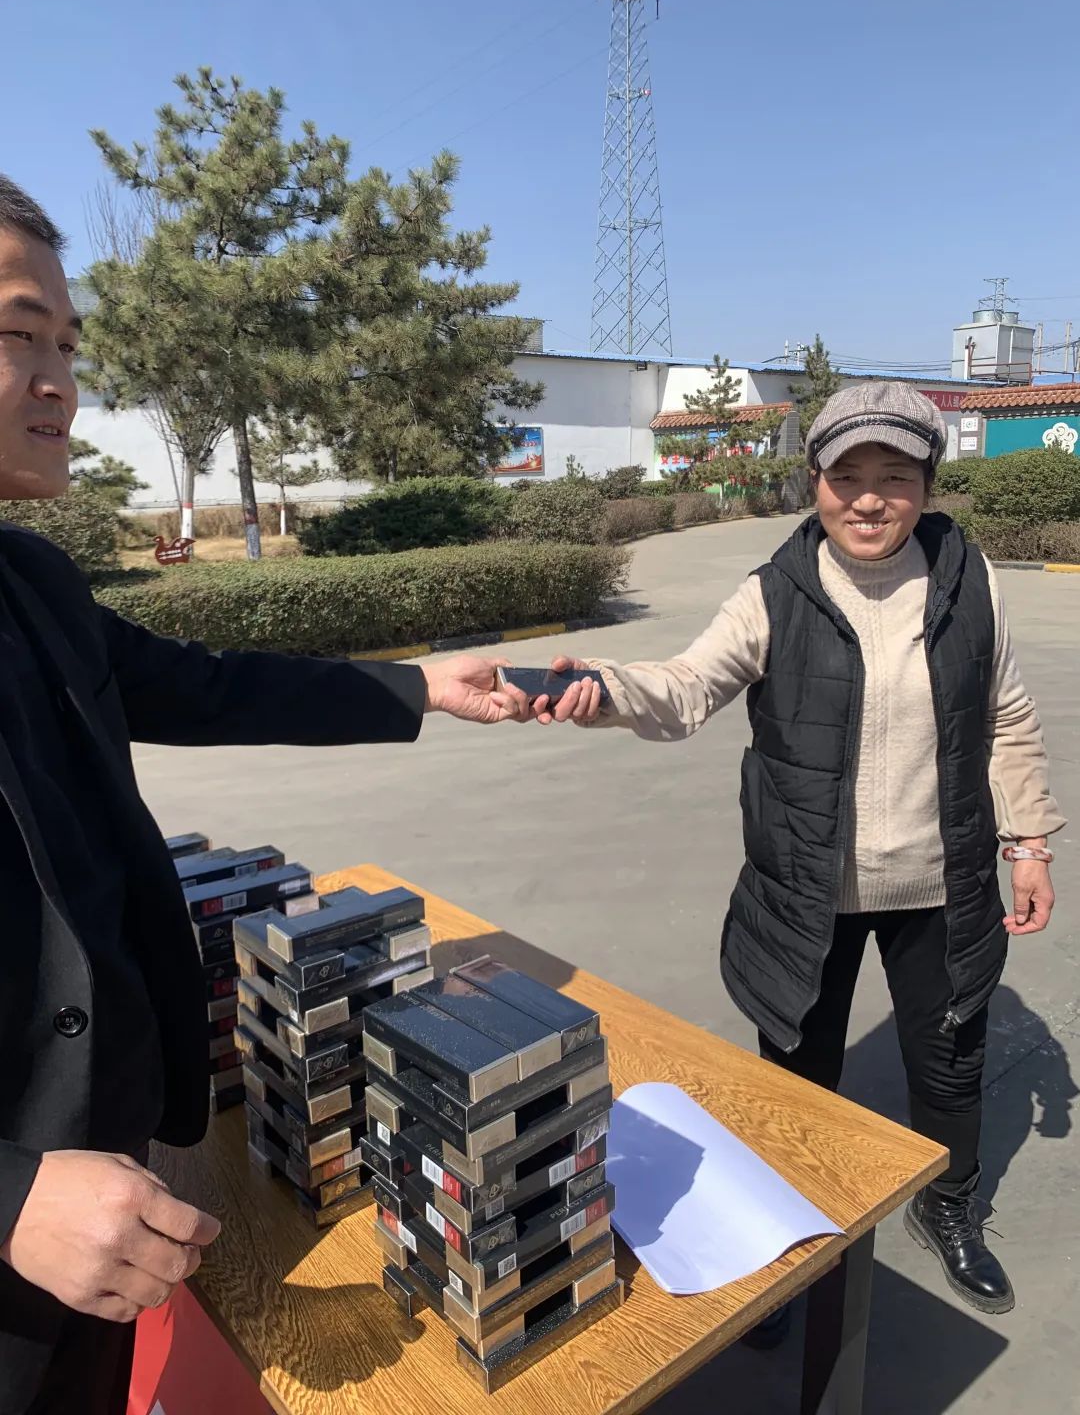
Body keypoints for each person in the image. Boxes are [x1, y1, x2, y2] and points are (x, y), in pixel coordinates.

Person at [0, 175, 530, 1415]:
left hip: (106, 1204)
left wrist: (417, 687)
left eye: (69, 344)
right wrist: (10, 1194)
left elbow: (212, 686)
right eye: (19, 333)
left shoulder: (35, 584)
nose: (59, 380)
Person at [536, 381, 1064, 1324]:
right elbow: (686, 687)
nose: (869, 499)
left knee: (950, 1060)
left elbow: (1006, 715)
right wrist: (603, 688)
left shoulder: (969, 581)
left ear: (928, 485)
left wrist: (1029, 842)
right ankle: (781, 1234)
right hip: (803, 889)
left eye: (895, 476)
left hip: (940, 883)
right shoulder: (773, 593)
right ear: (814, 481)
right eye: (846, 475)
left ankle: (948, 1206)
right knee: (794, 1074)